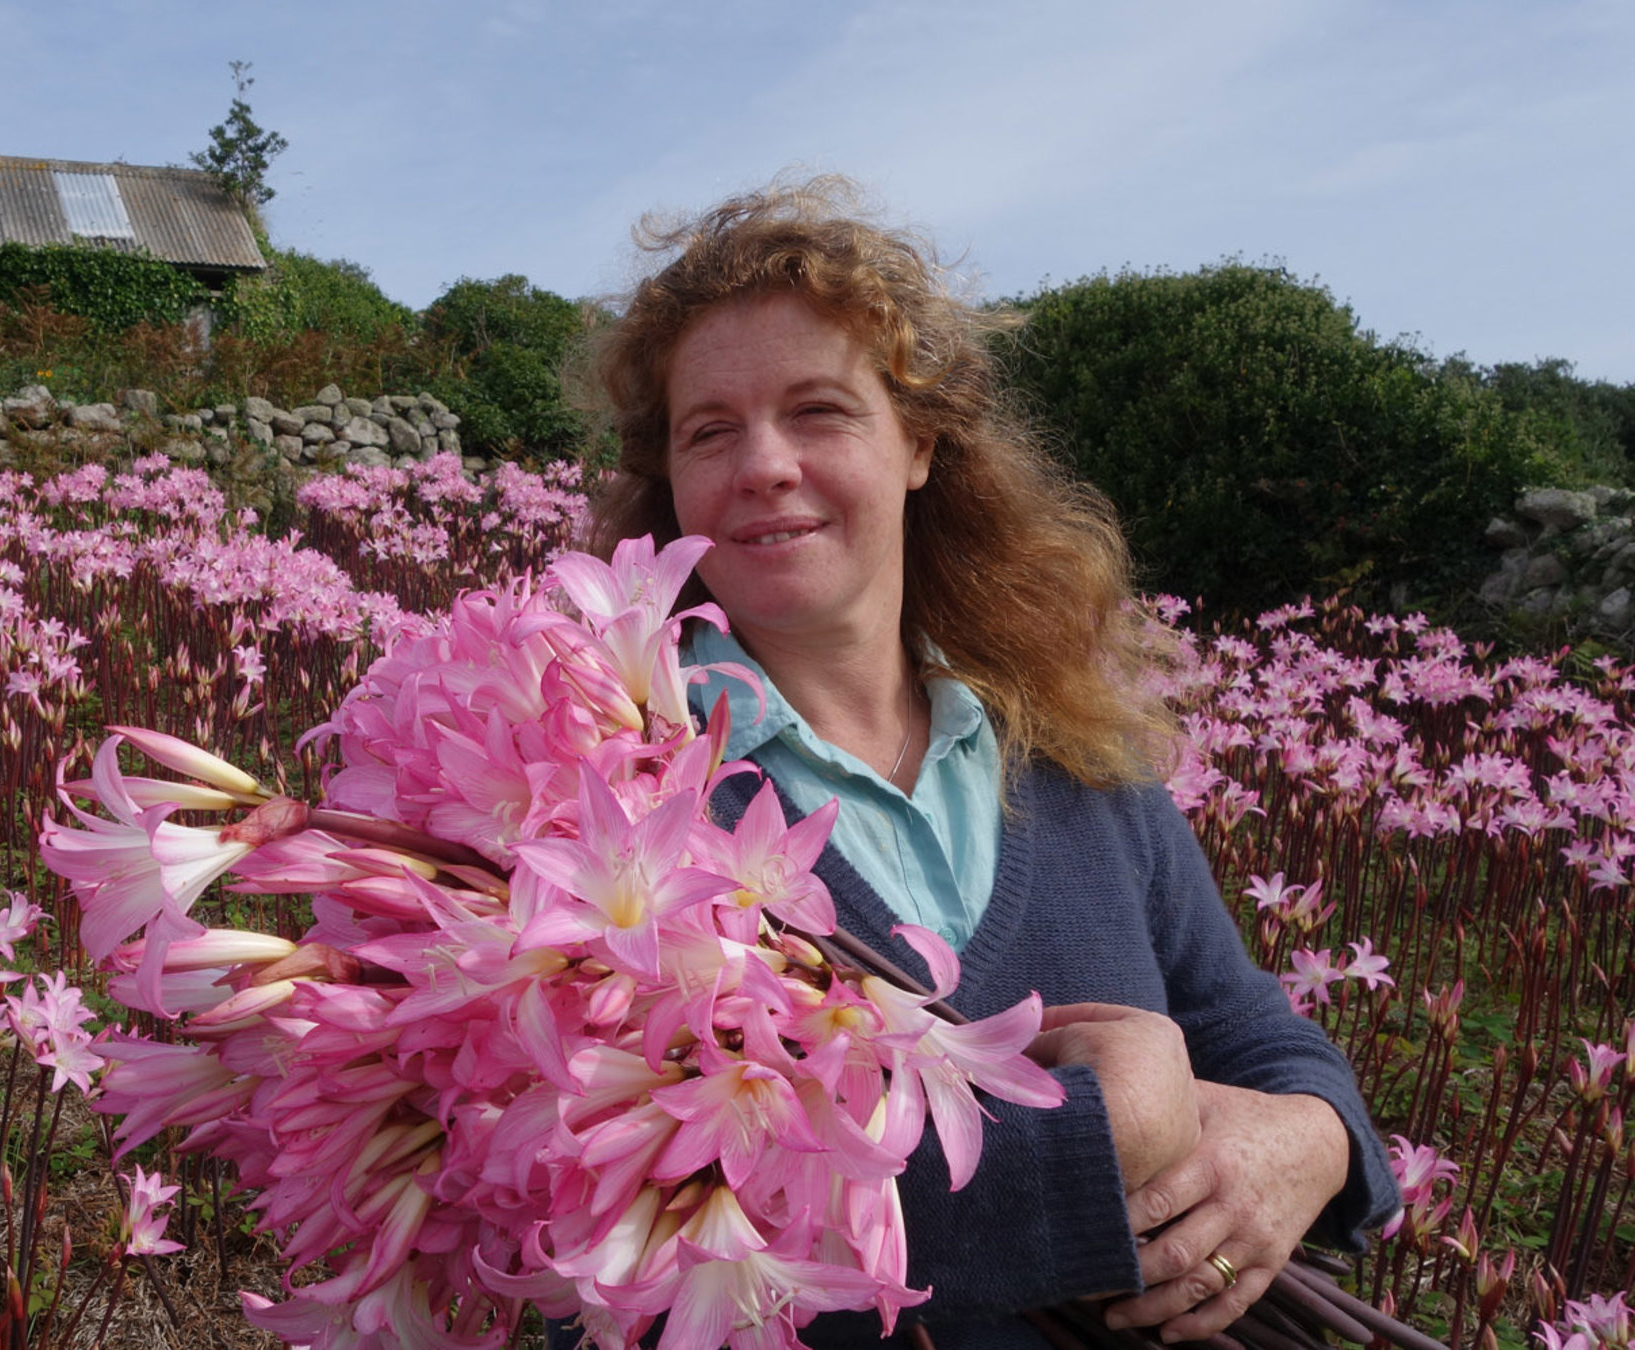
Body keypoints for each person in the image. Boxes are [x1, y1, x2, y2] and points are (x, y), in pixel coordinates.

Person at [552, 178, 1400, 1349]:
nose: (762, 465)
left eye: (817, 411)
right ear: (672, 480)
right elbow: (612, 1238)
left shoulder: (1071, 760)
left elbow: (1252, 1032)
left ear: (920, 443)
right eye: (709, 429)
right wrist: (1109, 1143)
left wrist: (1307, 1141)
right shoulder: (611, 796)